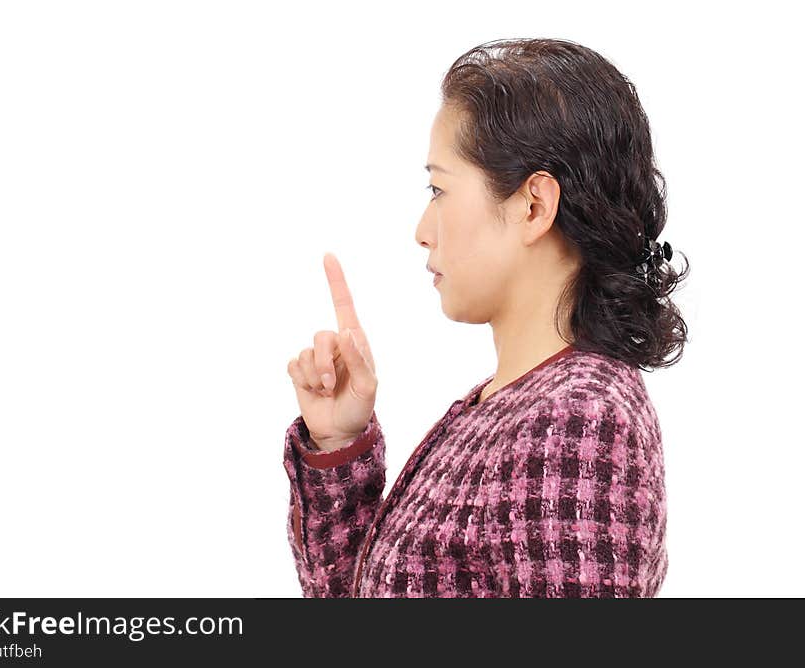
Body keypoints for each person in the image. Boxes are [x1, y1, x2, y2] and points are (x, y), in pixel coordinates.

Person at [282, 37, 688, 598]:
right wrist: (338, 446)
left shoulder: (578, 422)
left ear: (533, 206)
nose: (423, 229)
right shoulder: (509, 404)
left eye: (439, 188)